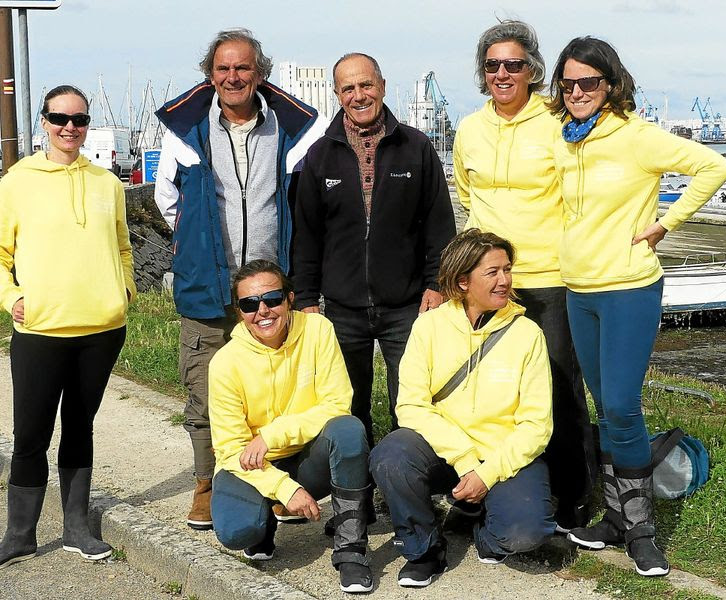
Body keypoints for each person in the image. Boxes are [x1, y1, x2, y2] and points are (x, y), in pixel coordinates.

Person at [546, 36, 726, 577]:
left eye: (590, 82)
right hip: (578, 289)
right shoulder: (566, 141)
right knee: (605, 406)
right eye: (570, 82)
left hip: (629, 288)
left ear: (610, 85)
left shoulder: (637, 137)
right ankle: (613, 518)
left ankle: (641, 527)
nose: (578, 91)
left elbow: (713, 167)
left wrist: (666, 225)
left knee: (623, 406)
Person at [154, 28, 326, 530]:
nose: (233, 77)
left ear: (260, 74)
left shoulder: (290, 130)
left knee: (277, 390)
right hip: (208, 284)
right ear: (210, 75)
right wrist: (199, 246)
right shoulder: (183, 132)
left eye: (243, 68)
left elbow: (302, 201)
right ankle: (207, 482)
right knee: (205, 387)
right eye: (224, 69)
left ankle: (278, 481)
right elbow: (170, 202)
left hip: (270, 289)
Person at [0, 85, 135, 573]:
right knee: (30, 435)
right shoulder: (18, 182)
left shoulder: (107, 183)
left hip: (102, 330)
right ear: (44, 121)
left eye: (80, 119)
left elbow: (124, 247)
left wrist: (124, 289)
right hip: (41, 331)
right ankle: (19, 536)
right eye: (60, 118)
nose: (70, 128)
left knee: (80, 427)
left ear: (88, 125)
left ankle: (76, 529)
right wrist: (11, 298)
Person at [452, 19, 596, 531]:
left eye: (513, 64)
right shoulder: (469, 128)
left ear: (532, 69)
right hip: (488, 281)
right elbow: (467, 195)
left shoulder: (558, 121)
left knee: (558, 386)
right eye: (492, 66)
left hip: (549, 276)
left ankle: (573, 497)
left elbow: (586, 188)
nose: (503, 73)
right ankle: (496, 489)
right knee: (491, 390)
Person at [370, 229, 555, 588]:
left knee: (525, 534)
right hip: (445, 450)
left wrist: (486, 474)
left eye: (507, 269)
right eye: (492, 272)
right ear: (462, 281)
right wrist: (466, 460)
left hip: (501, 456)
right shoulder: (429, 326)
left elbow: (537, 426)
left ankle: (480, 527)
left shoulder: (527, 333)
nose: (505, 280)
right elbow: (410, 405)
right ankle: (424, 549)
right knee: (390, 456)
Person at [293, 52, 455, 448]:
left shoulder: (415, 148)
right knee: (347, 406)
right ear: (337, 94)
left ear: (381, 87)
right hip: (342, 308)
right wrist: (307, 298)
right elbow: (307, 235)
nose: (359, 95)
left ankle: (407, 490)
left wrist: (437, 284)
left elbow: (439, 226)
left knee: (414, 404)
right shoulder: (320, 155)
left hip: (407, 305)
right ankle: (357, 494)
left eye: (366, 85)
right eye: (348, 88)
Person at [207, 260, 373, 594]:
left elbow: (337, 403)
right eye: (250, 304)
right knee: (237, 531)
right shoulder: (224, 364)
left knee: (349, 429)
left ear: (290, 298)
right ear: (240, 311)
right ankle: (263, 521)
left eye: (272, 298)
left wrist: (271, 434)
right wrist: (285, 490)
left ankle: (351, 549)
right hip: (250, 464)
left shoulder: (318, 330)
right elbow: (230, 450)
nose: (263, 310)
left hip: (308, 453)